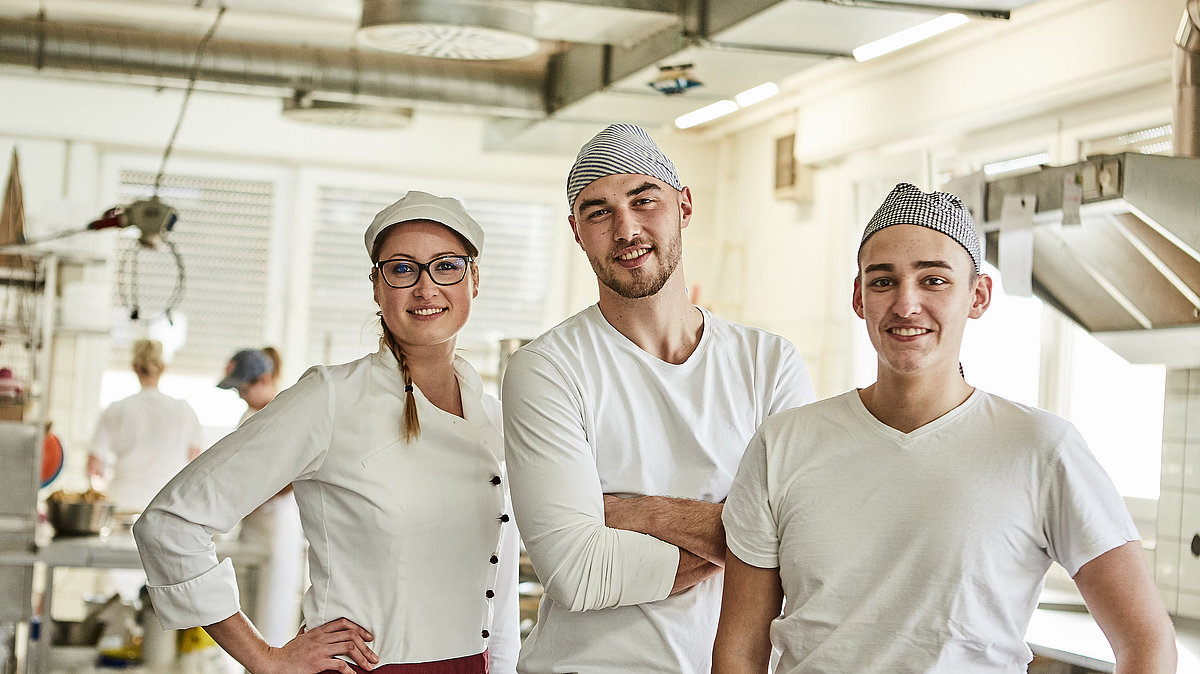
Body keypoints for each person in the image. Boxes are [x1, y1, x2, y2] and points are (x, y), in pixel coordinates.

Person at [712, 183, 1178, 673]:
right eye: (883, 281)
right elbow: (740, 650)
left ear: (978, 296)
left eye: (933, 280)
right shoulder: (783, 443)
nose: (906, 304)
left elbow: (1145, 642)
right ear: (858, 297)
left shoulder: (1042, 450)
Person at [133, 190, 520, 674]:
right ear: (377, 287)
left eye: (446, 266)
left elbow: (497, 589)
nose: (426, 288)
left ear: (474, 279)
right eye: (402, 269)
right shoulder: (331, 398)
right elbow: (170, 524)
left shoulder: (494, 416)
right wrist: (265, 658)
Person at [501, 123, 816, 673]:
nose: (626, 228)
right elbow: (578, 572)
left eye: (644, 200)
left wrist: (625, 511)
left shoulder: (768, 363)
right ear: (577, 231)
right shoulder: (547, 369)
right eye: (598, 211)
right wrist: (741, 542)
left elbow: (801, 547)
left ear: (684, 207)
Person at [216, 346, 306, 650]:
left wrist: (251, 493)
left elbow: (293, 475)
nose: (241, 395)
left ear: (265, 379)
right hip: (252, 524)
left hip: (276, 525)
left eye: (245, 387)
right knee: (247, 617)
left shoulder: (285, 414)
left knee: (272, 615)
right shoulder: (250, 417)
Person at [87, 338, 204, 513]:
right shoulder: (184, 410)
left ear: (134, 367)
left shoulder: (116, 409)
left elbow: (94, 466)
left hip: (122, 503)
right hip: (168, 505)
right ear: (163, 368)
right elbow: (196, 462)